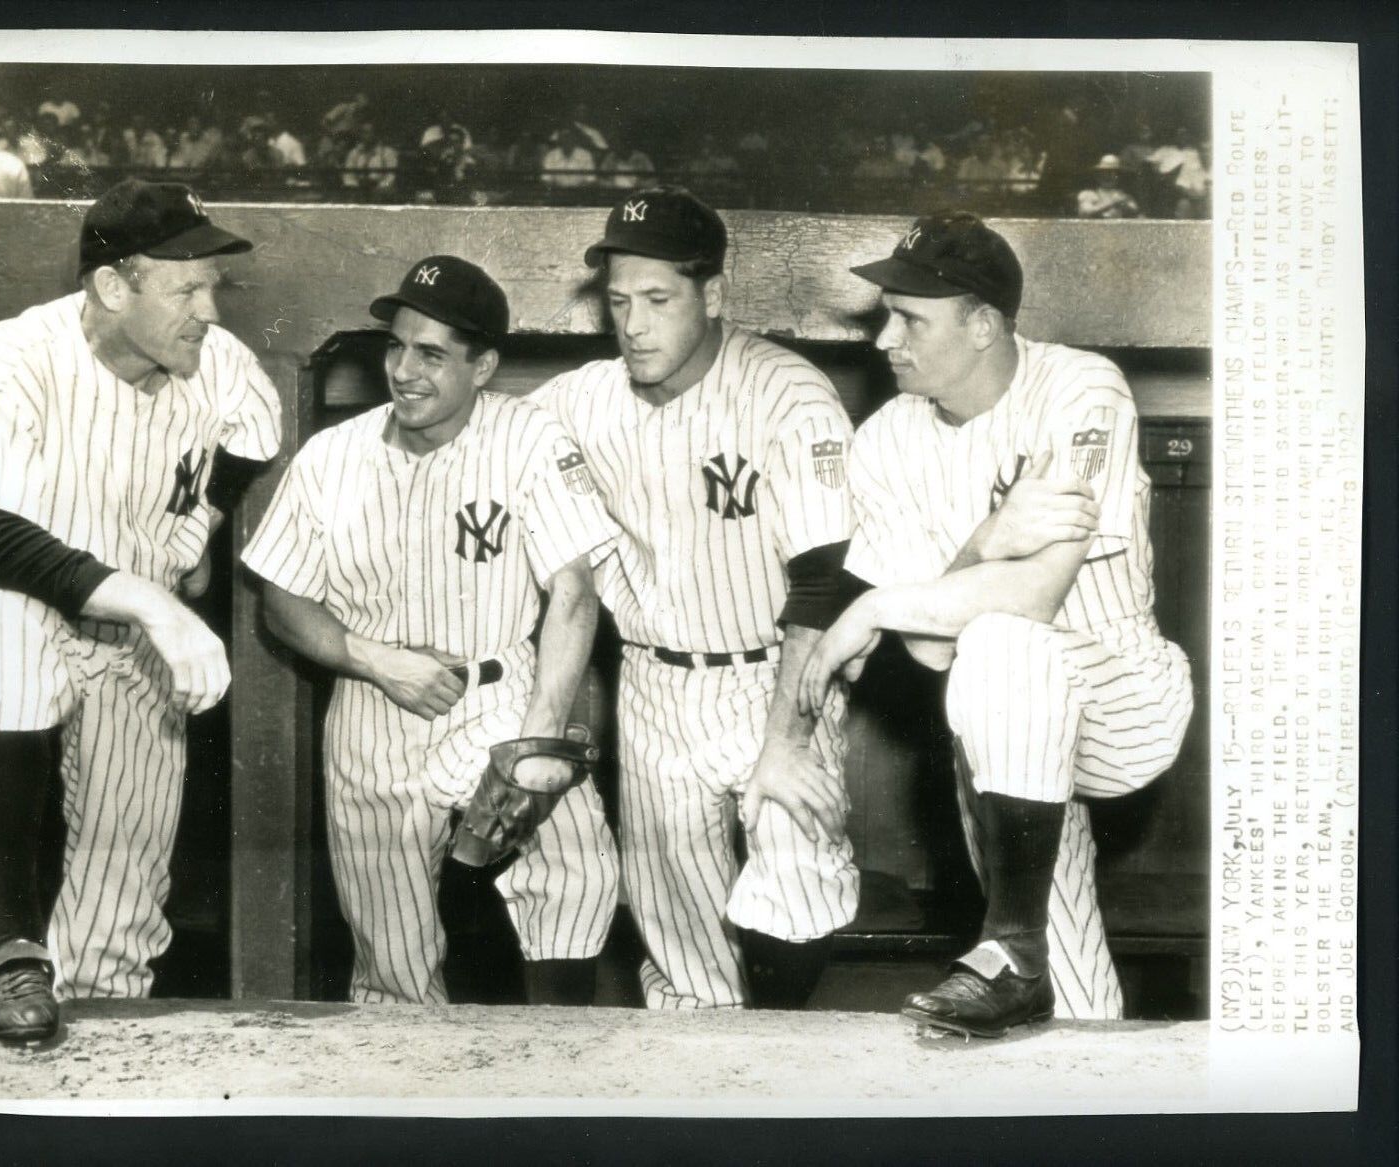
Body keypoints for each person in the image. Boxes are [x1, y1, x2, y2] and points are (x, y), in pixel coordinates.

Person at [798, 211, 1193, 1037]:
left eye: (908, 318)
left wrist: (871, 603)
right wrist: (988, 538)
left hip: (1120, 689)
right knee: (1070, 991)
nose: (883, 339)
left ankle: (1010, 945)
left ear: (982, 323)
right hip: (1005, 729)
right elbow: (930, 643)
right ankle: (1028, 970)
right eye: (885, 314)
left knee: (1006, 640)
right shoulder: (885, 441)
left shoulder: (1080, 388)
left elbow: (1038, 596)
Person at [0, 180, 283, 1041]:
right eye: (186, 286)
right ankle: (10, 946)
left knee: (123, 903)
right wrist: (158, 599)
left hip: (137, 633)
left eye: (213, 283)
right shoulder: (17, 356)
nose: (208, 306)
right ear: (113, 287)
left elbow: (254, 435)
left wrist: (193, 534)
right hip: (39, 610)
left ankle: (98, 1033)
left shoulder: (218, 361)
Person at [242, 257, 621, 1007]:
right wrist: (378, 661)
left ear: (483, 366)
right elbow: (282, 600)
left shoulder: (530, 437)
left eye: (432, 353)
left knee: (580, 868)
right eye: (397, 346)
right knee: (393, 961)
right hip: (373, 707)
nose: (404, 370)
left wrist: (537, 745)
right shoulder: (332, 457)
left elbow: (574, 590)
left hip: (497, 695)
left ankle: (559, 1057)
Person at [533, 188, 862, 1010]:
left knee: (794, 870)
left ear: (713, 295)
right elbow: (490, 437)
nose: (633, 324)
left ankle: (783, 1053)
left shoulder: (788, 393)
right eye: (617, 302)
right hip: (653, 681)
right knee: (682, 946)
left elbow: (825, 580)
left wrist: (784, 743)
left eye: (657, 300)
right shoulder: (581, 400)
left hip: (777, 673)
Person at [1076, 155, 1142, 219]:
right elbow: (1086, 212)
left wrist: (1125, 206)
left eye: (1113, 173)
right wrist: (1113, 203)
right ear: (1098, 175)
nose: (1108, 176)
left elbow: (1136, 212)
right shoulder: (1088, 194)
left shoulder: (1124, 195)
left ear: (1119, 176)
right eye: (1105, 172)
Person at [341, 122, 399, 194]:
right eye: (363, 132)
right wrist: (354, 187)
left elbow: (391, 177)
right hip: (357, 190)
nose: (364, 136)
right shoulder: (354, 153)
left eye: (368, 132)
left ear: (376, 134)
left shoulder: (388, 153)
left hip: (380, 191)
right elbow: (347, 175)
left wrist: (379, 188)